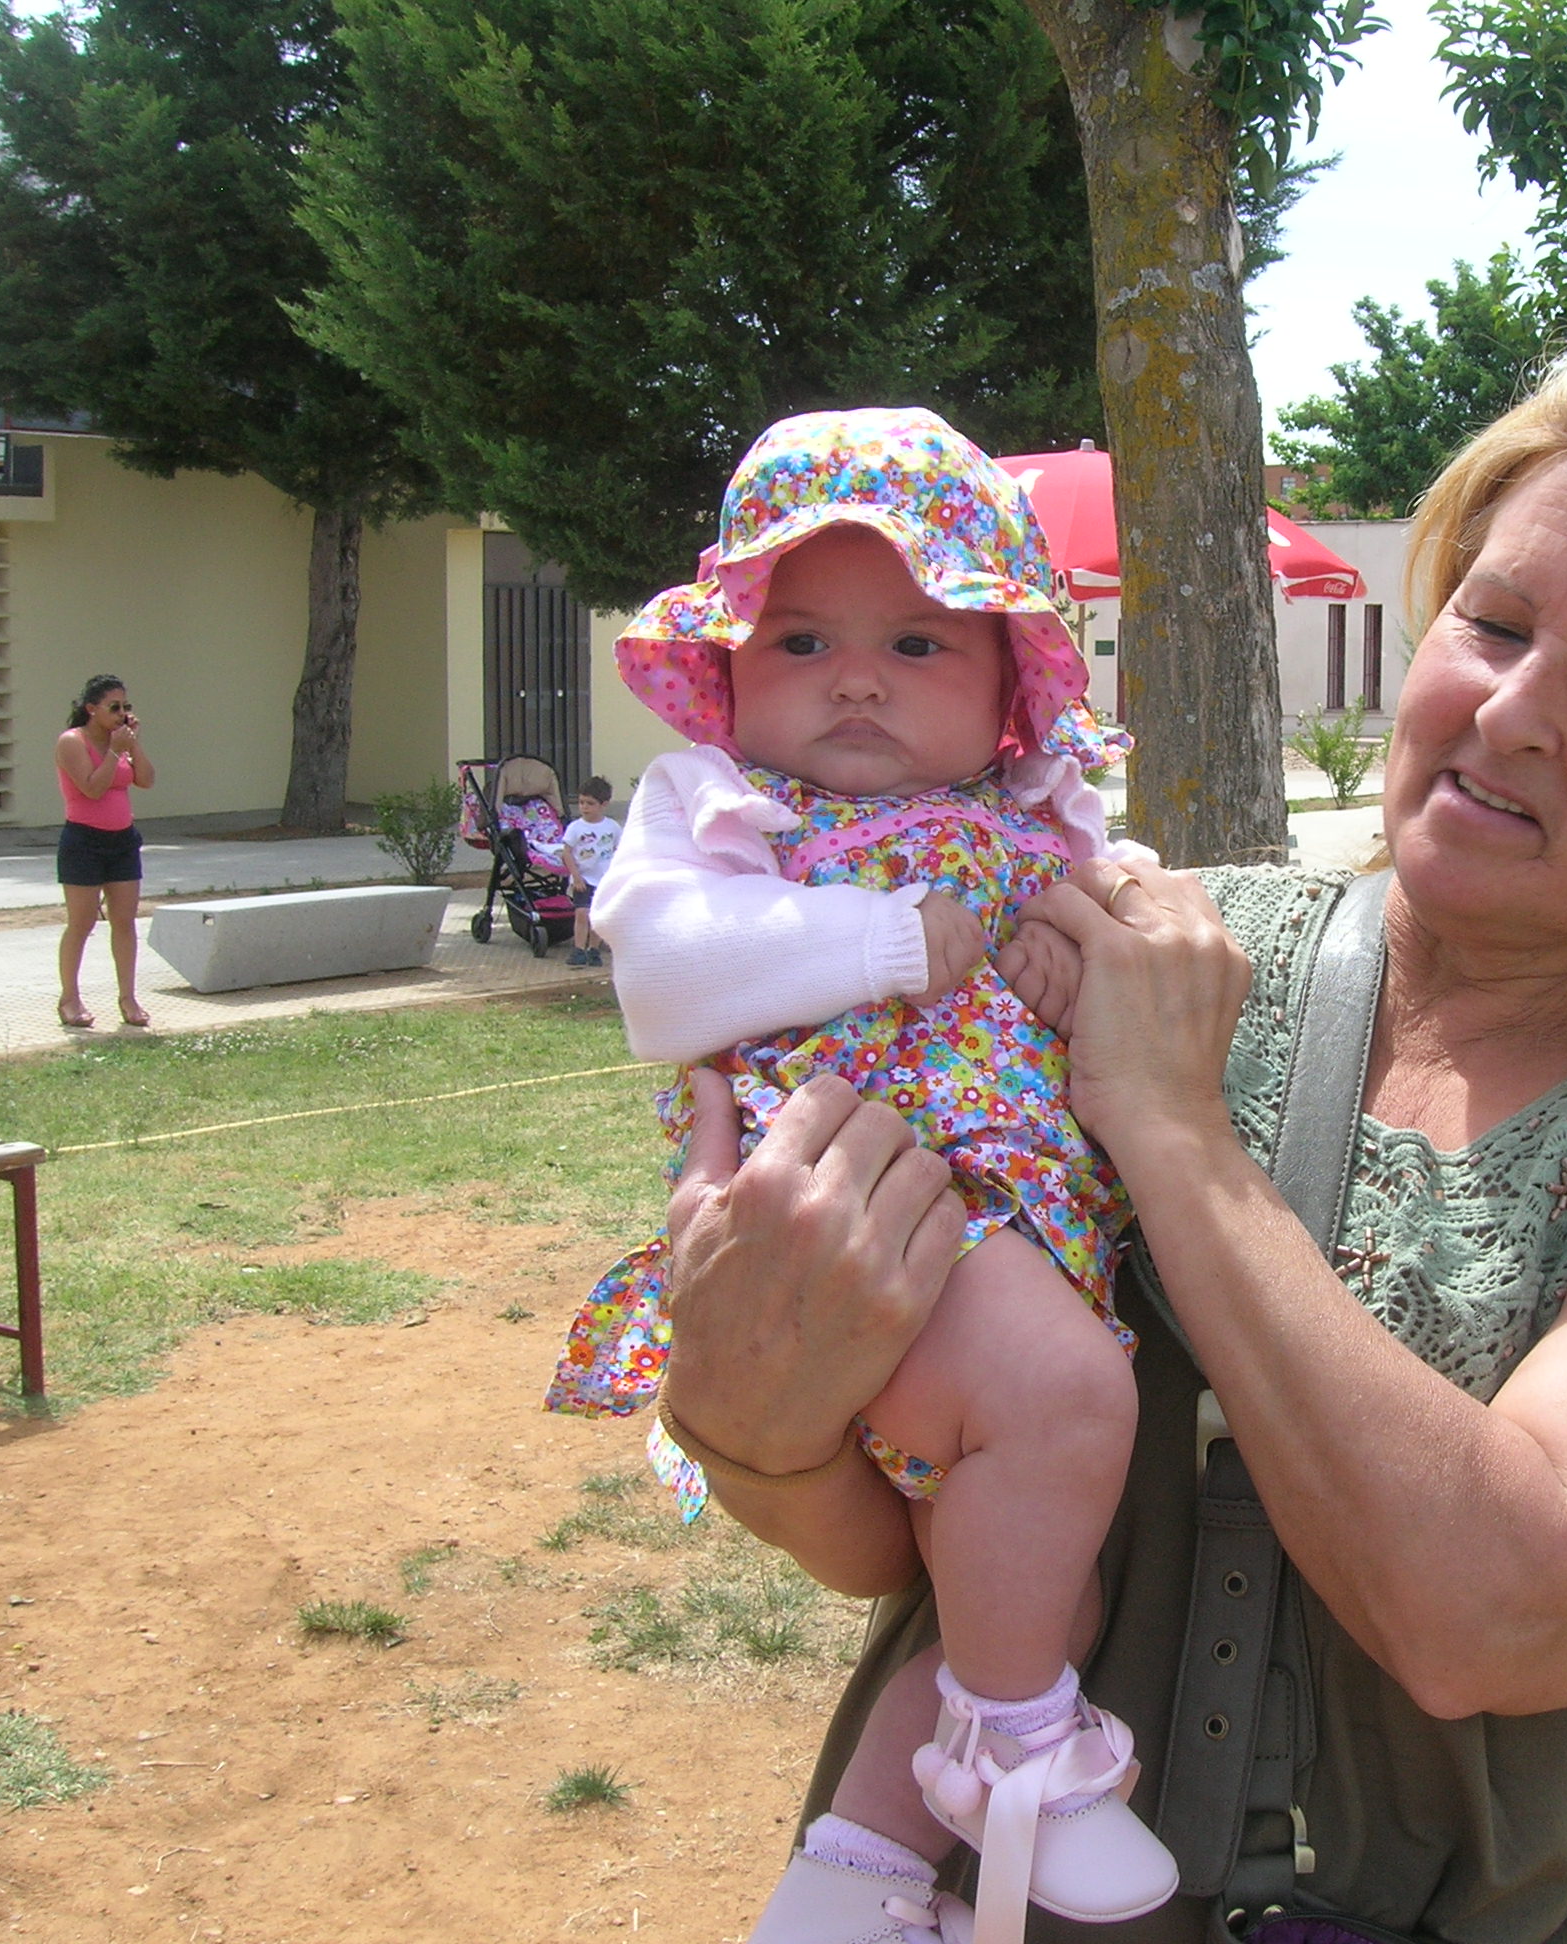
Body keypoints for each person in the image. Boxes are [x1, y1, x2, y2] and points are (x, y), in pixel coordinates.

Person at [648, 349, 1567, 1944]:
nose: (1512, 712)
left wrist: (1175, 1135)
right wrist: (758, 1424)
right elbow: (913, 1530)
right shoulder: (1144, 939)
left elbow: (1489, 1613)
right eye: (1494, 626)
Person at [548, 409, 1177, 1944]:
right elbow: (664, 981)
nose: (853, 678)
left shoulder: (1031, 818)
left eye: (916, 642)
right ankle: (1023, 1758)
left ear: (1009, 685)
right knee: (1068, 1409)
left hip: (1001, 1226)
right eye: (803, 638)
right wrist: (893, 940)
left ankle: (856, 1875)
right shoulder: (721, 810)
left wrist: (1083, 944)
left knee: (1037, 1590)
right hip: (847, 1213)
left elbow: (1135, 943)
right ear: (729, 662)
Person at [54, 674, 156, 1030]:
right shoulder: (72, 742)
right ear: (91, 709)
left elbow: (146, 780)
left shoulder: (122, 742)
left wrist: (133, 745)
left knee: (124, 921)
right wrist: (114, 751)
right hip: (84, 842)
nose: (121, 713)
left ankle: (128, 997)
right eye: (114, 707)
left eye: (126, 707)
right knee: (81, 923)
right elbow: (92, 788)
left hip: (122, 841)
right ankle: (70, 998)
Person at [562, 775, 624, 968]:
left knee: (597, 916)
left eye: (590, 803)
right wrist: (576, 876)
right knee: (582, 913)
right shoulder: (575, 828)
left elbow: (620, 849)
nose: (584, 807)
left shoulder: (612, 827)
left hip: (604, 880)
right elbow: (567, 852)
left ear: (604, 804)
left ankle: (594, 949)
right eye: (581, 802)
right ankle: (579, 949)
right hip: (584, 879)